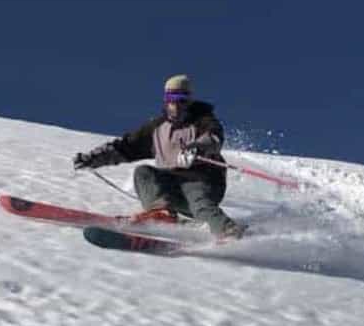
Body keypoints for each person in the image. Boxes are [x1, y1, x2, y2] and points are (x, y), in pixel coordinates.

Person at [73, 75, 245, 240]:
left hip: (203, 181)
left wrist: (197, 148)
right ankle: (162, 213)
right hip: (171, 186)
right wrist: (92, 159)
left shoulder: (203, 120)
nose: (176, 104)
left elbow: (214, 138)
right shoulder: (156, 128)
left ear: (189, 100)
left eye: (182, 99)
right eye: (172, 98)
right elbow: (125, 147)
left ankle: (227, 230)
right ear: (165, 99)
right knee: (143, 172)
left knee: (198, 201)